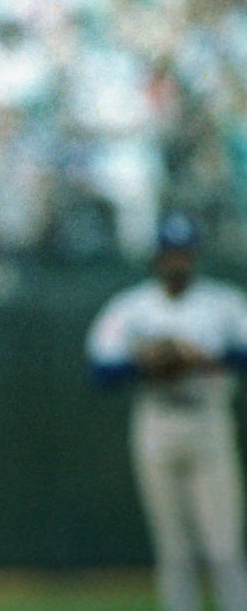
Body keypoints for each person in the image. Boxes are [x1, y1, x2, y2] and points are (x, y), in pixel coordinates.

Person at [85, 212, 247, 611]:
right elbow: (100, 370)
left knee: (224, 547)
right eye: (170, 253)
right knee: (174, 549)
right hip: (157, 419)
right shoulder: (133, 307)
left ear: (195, 256)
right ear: (158, 257)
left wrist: (202, 357)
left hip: (208, 418)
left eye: (184, 253)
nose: (177, 261)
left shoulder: (223, 302)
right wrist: (144, 364)